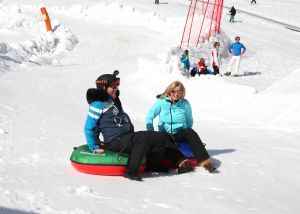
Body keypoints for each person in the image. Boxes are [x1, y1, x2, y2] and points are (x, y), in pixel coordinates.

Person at [84, 70, 193, 181]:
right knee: (142, 138)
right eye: (113, 86)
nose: (116, 88)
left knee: (160, 137)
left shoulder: (113, 101)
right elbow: (90, 126)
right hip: (114, 140)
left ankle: (154, 166)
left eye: (117, 86)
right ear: (103, 88)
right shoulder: (98, 103)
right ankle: (130, 171)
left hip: (126, 137)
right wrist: (94, 146)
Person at [145, 81, 217, 173]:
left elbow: (189, 120)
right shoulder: (161, 103)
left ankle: (206, 162)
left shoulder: (185, 104)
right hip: (165, 133)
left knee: (190, 132)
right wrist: (151, 131)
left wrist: (187, 134)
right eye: (174, 91)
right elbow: (149, 117)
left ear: (183, 93)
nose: (176, 94)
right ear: (169, 91)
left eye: (179, 91)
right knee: (163, 140)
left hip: (179, 133)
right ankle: (183, 164)